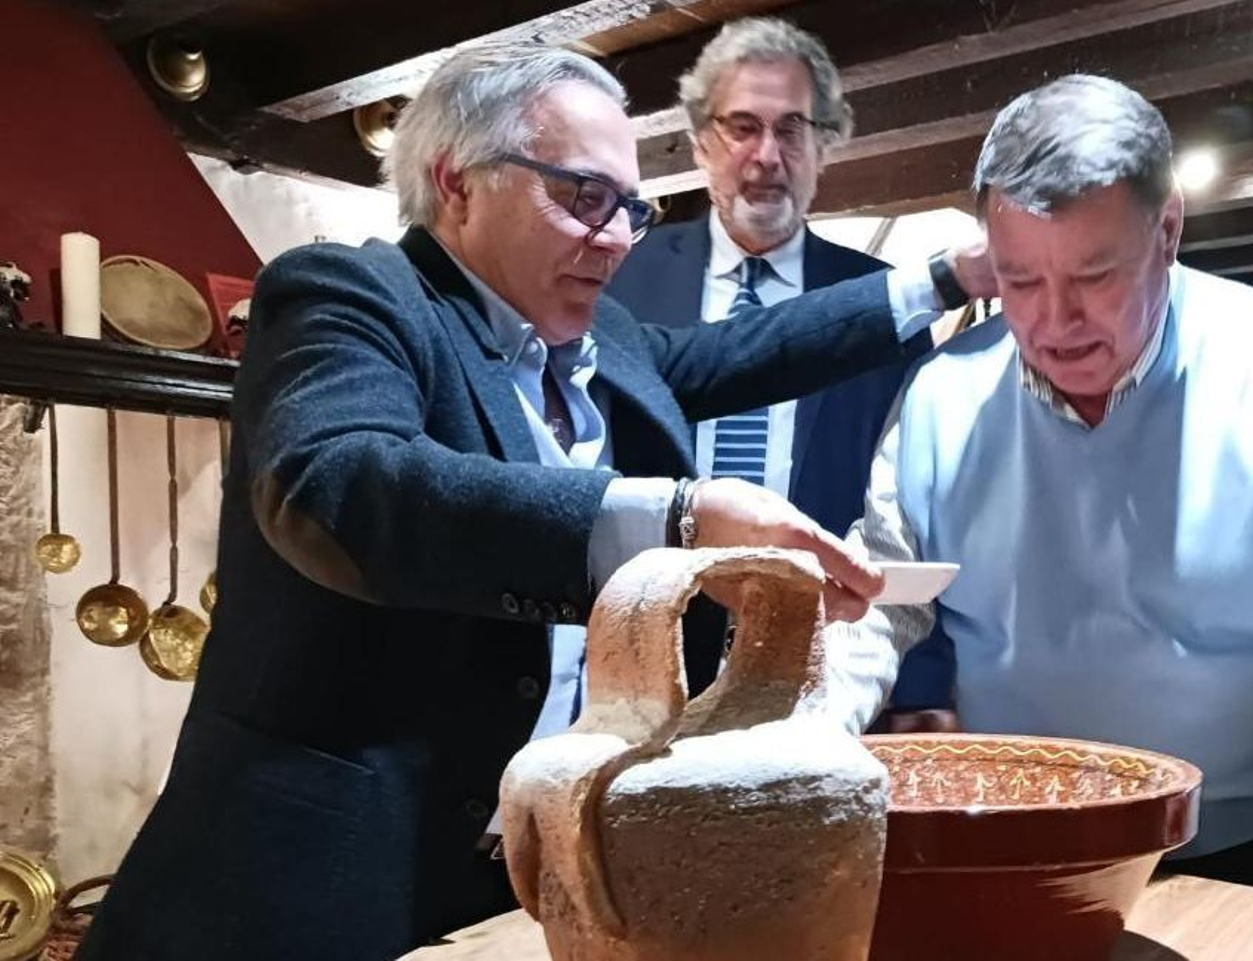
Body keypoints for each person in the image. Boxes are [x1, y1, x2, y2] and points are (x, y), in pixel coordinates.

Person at [77, 42, 987, 961]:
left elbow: (752, 351)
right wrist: (676, 518)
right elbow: (337, 485)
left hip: (522, 868)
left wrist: (955, 276)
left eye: (630, 207)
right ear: (458, 182)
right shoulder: (349, 294)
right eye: (584, 198)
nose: (619, 237)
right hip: (311, 884)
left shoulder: (608, 340)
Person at [825, 74, 1253, 918]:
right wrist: (801, 745)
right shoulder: (943, 396)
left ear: (1167, 230)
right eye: (1018, 282)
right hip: (1028, 842)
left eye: (1095, 275)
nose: (1055, 322)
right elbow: (870, 605)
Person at [606, 17, 941, 700]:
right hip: (646, 664)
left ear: (824, 148)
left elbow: (915, 513)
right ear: (702, 144)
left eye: (791, 130)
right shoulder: (620, 288)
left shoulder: (887, 311)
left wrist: (922, 687)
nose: (767, 155)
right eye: (742, 126)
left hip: (826, 667)